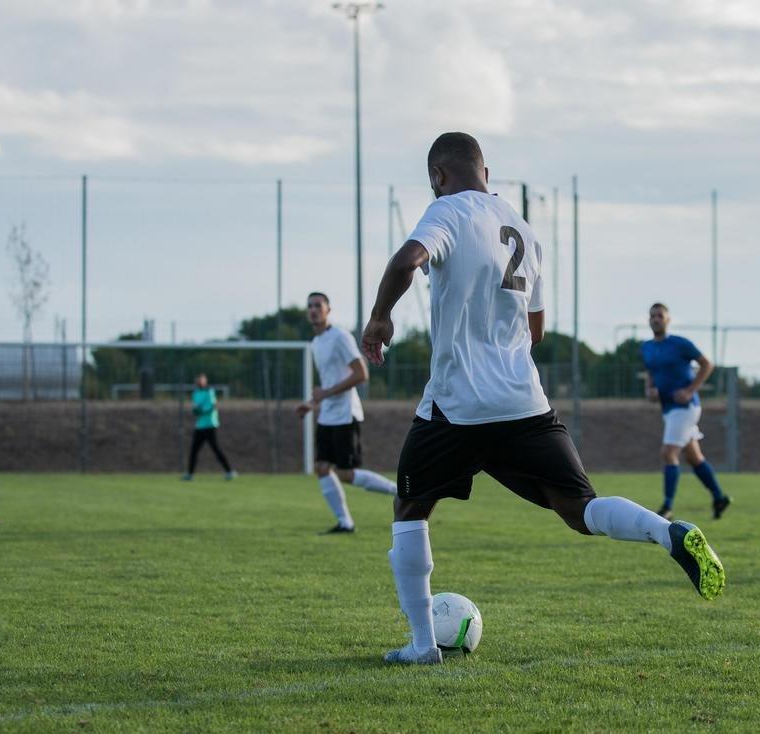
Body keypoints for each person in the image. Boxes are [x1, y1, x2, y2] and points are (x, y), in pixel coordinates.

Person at [361, 132, 726, 665]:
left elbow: (406, 261)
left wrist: (380, 318)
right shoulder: (524, 231)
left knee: (411, 508)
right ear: (486, 172)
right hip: (523, 403)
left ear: (439, 176)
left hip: (456, 405)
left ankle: (422, 646)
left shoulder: (448, 212)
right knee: (580, 509)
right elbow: (536, 331)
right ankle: (668, 532)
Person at [296, 292, 398, 534]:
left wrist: (326, 394)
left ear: (328, 310)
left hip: (344, 413)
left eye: (318, 305)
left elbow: (361, 374)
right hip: (327, 414)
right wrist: (311, 404)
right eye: (309, 306)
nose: (313, 310)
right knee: (322, 468)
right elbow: (329, 382)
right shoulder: (316, 342)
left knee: (345, 474)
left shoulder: (340, 337)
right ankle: (345, 523)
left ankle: (400, 492)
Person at [642, 303, 731, 520]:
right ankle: (719, 497)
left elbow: (706, 364)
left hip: (685, 408)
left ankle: (667, 508)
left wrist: (690, 390)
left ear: (668, 320)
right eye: (652, 316)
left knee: (668, 453)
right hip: (668, 409)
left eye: (660, 315)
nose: (656, 319)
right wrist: (650, 389)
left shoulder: (680, 343)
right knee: (694, 458)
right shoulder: (646, 347)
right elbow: (651, 372)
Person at [182, 373, 237, 481]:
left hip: (210, 424)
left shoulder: (209, 392)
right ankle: (190, 474)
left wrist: (203, 412)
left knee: (216, 449)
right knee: (194, 450)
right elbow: (196, 407)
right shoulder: (196, 393)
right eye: (198, 380)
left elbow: (214, 406)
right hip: (200, 425)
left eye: (201, 380)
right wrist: (195, 411)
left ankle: (229, 472)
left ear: (205, 381)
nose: (199, 382)